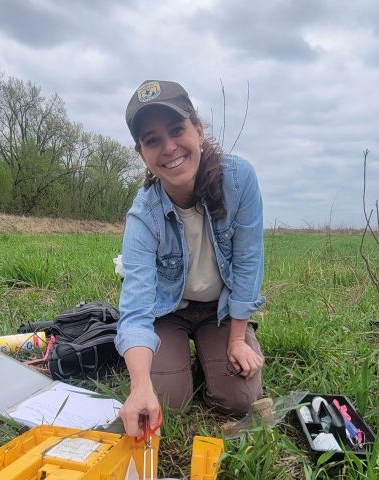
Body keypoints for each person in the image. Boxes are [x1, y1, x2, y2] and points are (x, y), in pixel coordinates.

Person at [115, 80, 266, 437]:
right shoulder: (142, 216)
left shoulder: (240, 180)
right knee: (165, 399)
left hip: (221, 311)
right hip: (168, 312)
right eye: (152, 140)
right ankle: (172, 359)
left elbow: (248, 264)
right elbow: (136, 308)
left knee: (241, 398)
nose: (169, 147)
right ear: (142, 153)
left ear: (198, 131)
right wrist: (139, 387)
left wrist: (236, 340)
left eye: (177, 130)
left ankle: (213, 350)